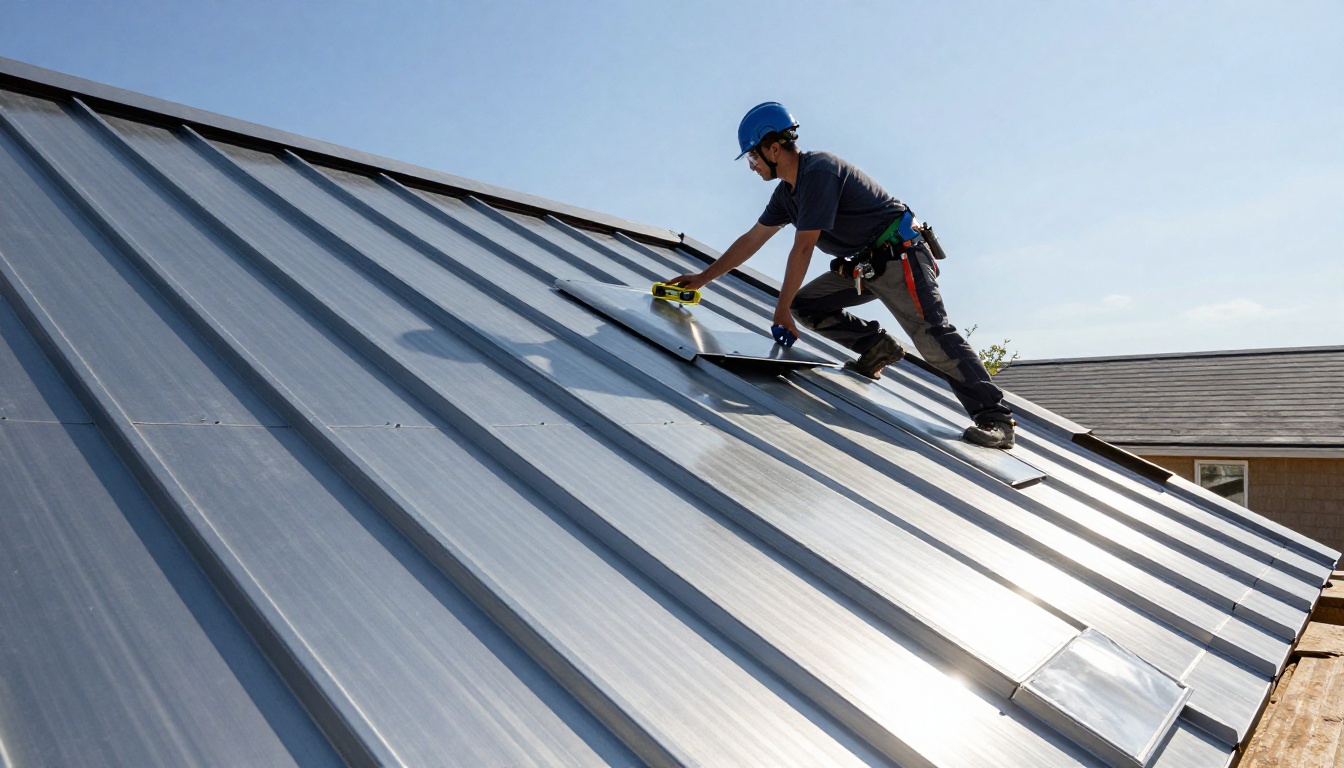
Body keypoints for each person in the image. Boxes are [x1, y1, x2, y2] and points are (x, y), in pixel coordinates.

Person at [669, 102, 1016, 449]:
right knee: (809, 305)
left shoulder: (819, 171)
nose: (752, 166)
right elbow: (751, 240)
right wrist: (702, 278)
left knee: (931, 335)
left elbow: (803, 247)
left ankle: (995, 418)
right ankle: (876, 348)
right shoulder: (785, 196)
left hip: (900, 255)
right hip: (865, 267)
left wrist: (780, 309)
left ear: (774, 148)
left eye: (753, 157)